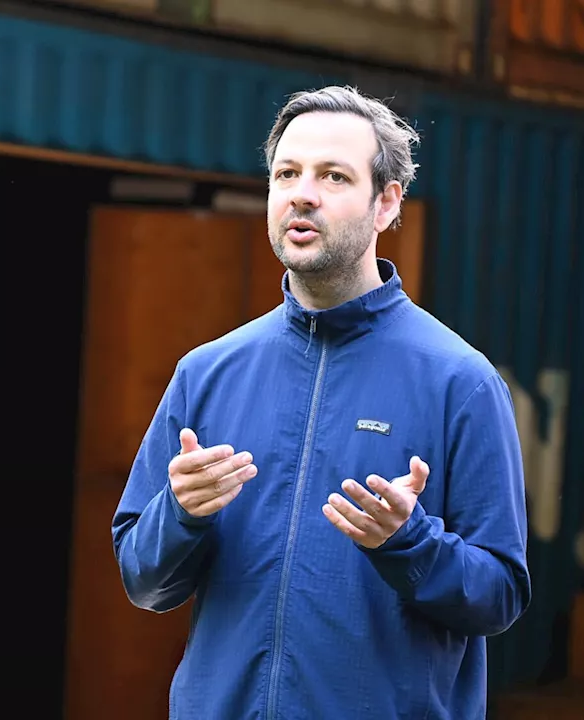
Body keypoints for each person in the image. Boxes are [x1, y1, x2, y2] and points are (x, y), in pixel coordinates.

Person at [111, 85, 531, 720]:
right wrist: (182, 513)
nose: (302, 193)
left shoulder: (460, 382)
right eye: (287, 173)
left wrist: (408, 542)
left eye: (334, 176)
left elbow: (499, 596)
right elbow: (142, 580)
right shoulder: (208, 372)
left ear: (387, 203)